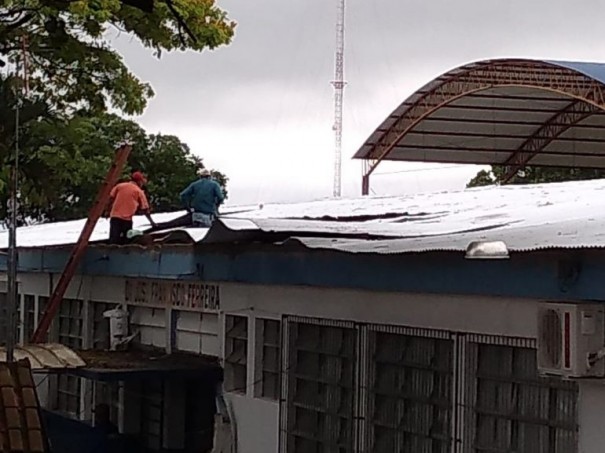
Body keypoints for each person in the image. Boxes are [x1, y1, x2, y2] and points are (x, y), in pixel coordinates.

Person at [107, 171, 156, 244]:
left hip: (115, 217)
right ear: (139, 181)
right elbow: (145, 209)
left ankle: (110, 253)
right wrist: (152, 223)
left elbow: (110, 198)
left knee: (113, 239)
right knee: (126, 240)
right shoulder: (138, 191)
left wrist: (107, 211)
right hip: (126, 220)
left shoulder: (120, 186)